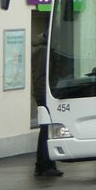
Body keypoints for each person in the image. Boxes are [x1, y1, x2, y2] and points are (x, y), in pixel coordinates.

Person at [32, 30, 62, 178]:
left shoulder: (42, 50)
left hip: (44, 95)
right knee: (46, 130)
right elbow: (41, 78)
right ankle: (45, 165)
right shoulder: (43, 51)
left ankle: (45, 164)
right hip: (45, 97)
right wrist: (47, 98)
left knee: (46, 130)